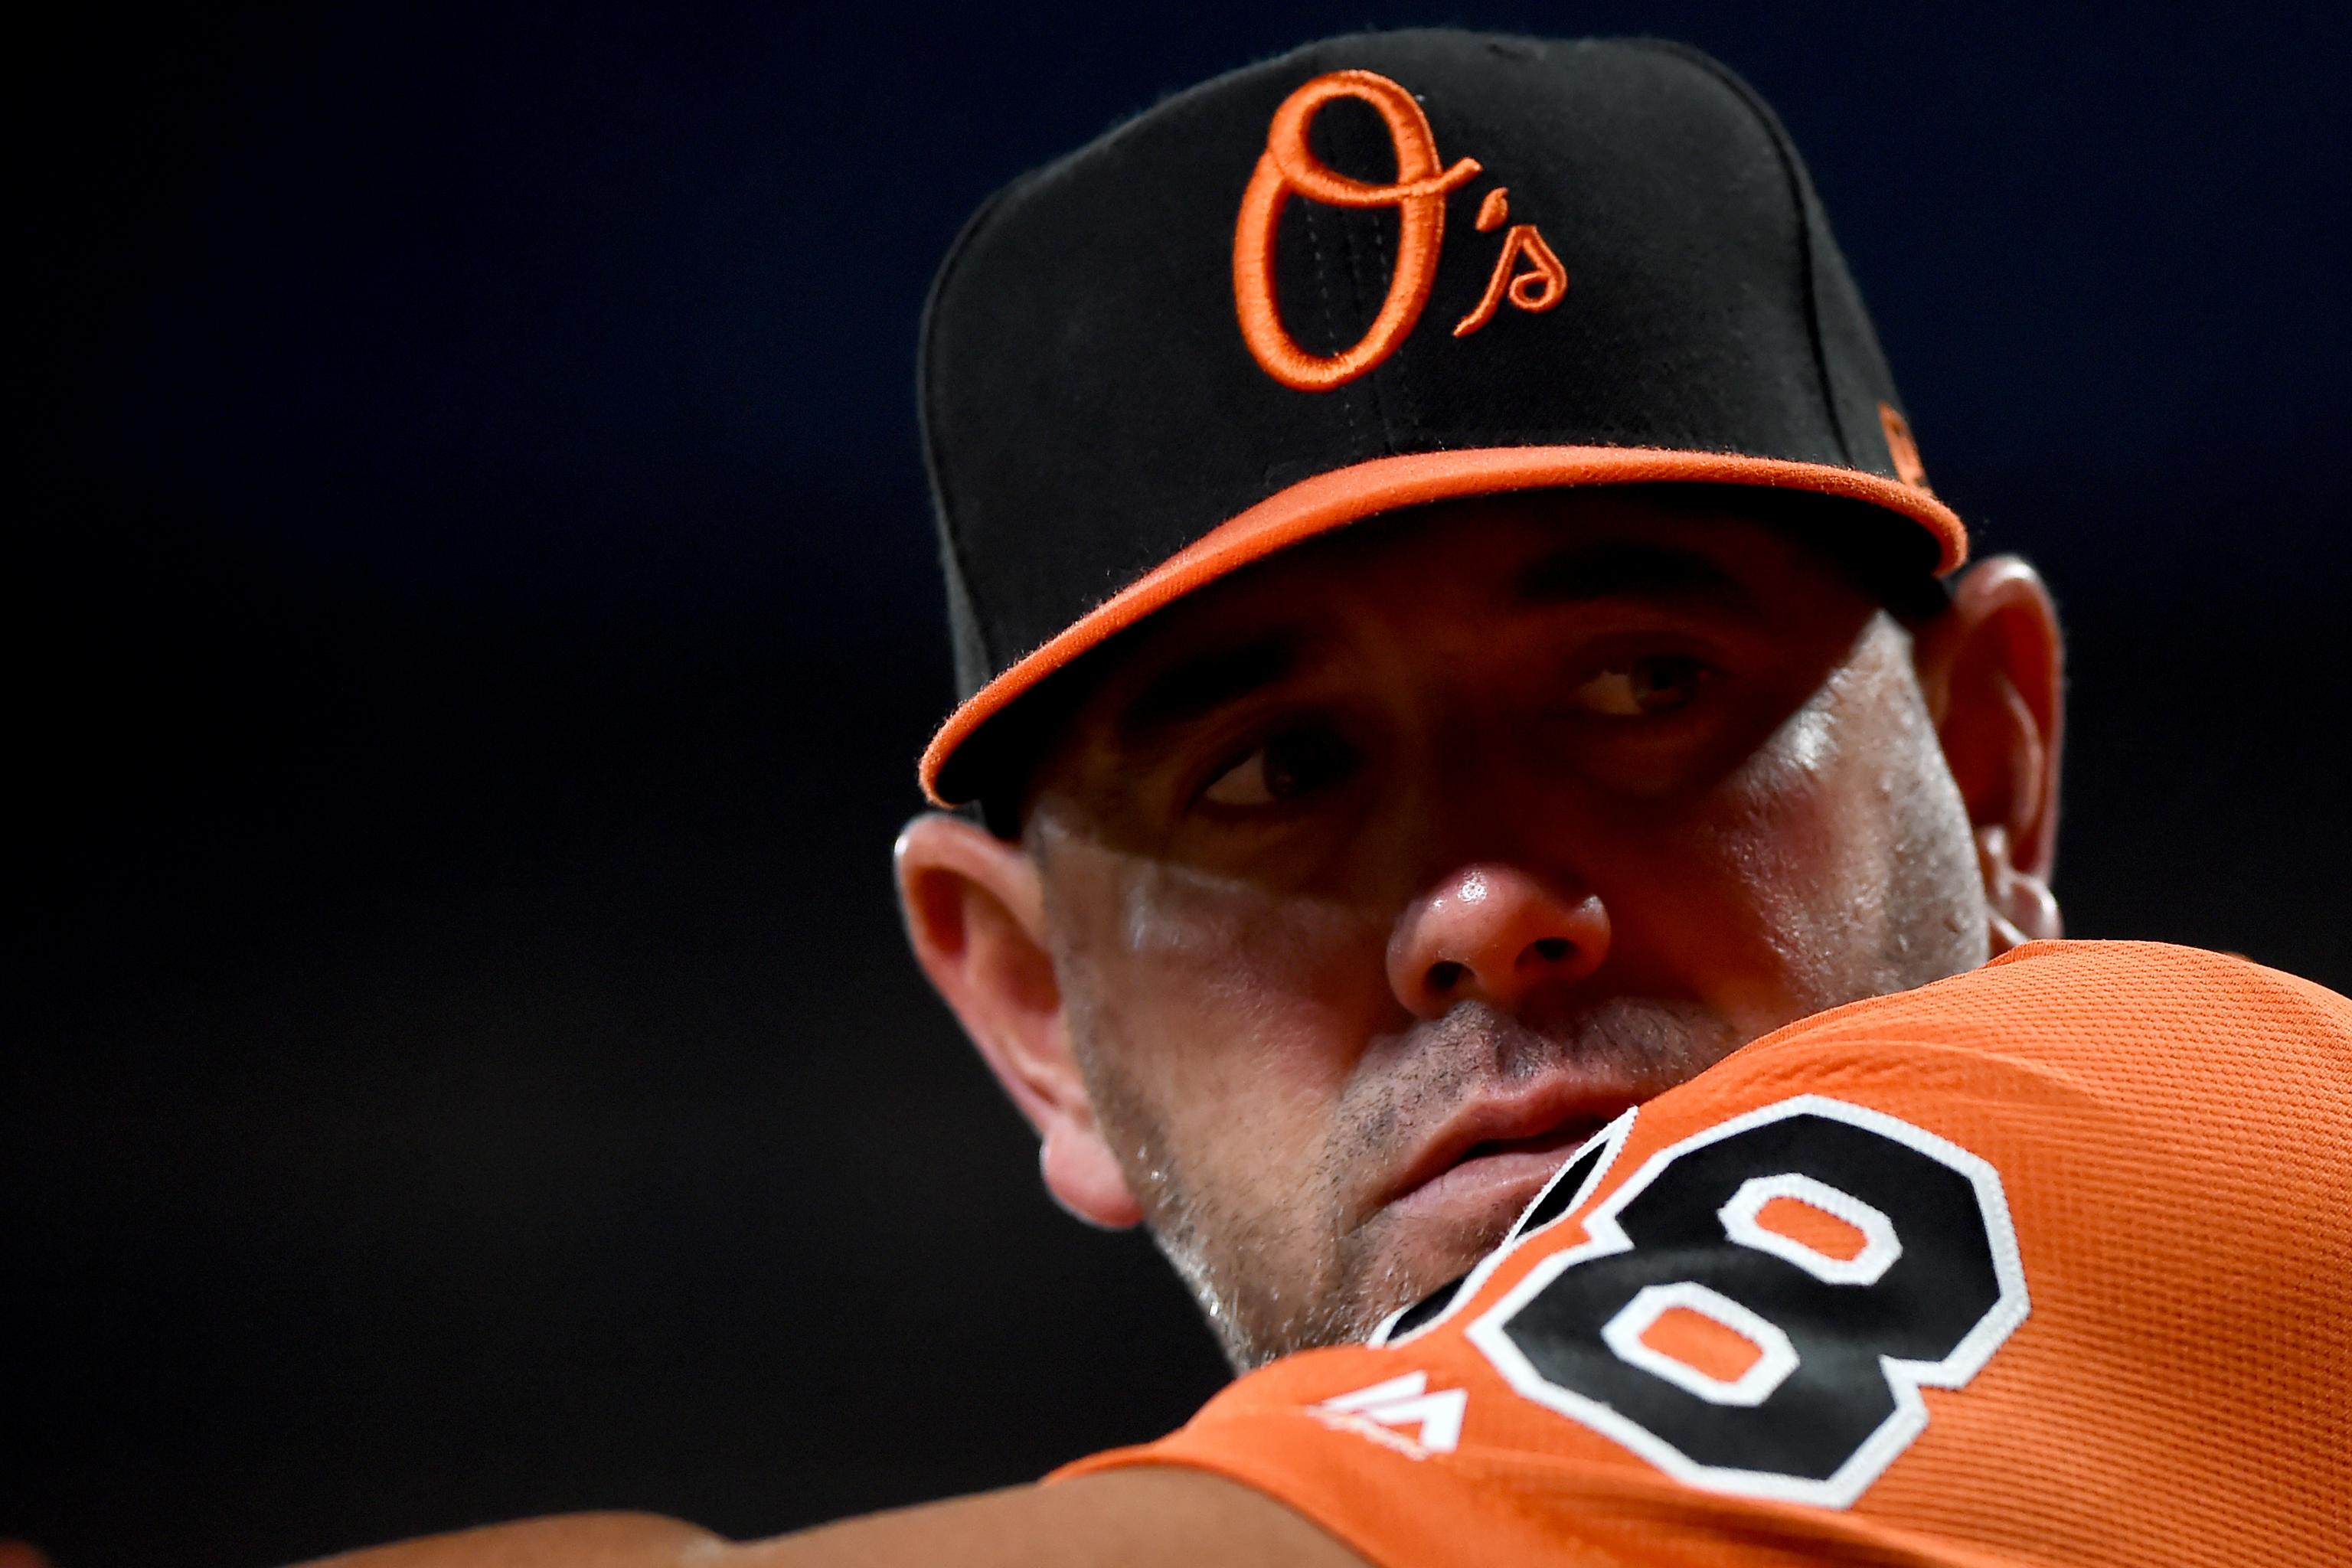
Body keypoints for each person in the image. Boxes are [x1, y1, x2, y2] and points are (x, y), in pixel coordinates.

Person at [304, 28, 2350, 1568]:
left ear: (1991, 770)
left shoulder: (2229, 1148)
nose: (1479, 904)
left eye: (1648, 685)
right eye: (1278, 770)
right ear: (1037, 1018)